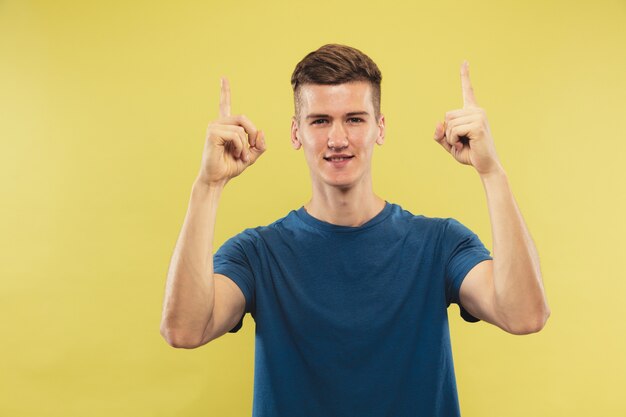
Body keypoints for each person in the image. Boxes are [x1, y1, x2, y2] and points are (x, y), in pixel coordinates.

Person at [160, 44, 550, 416]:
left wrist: (492, 173)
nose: (337, 139)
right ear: (296, 133)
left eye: (354, 119)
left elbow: (524, 315)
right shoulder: (258, 253)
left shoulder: (440, 244)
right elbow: (184, 329)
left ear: (380, 128)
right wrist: (208, 187)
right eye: (320, 120)